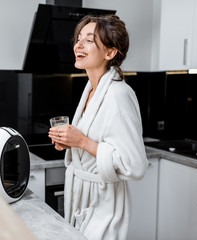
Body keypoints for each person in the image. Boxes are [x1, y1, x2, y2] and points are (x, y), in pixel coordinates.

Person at [48, 15, 149, 240]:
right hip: (84, 201)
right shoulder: (92, 90)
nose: (79, 45)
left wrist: (82, 142)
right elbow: (96, 142)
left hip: (104, 206)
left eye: (90, 40)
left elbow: (135, 165)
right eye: (78, 39)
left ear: (110, 53)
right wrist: (71, 143)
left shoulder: (118, 95)